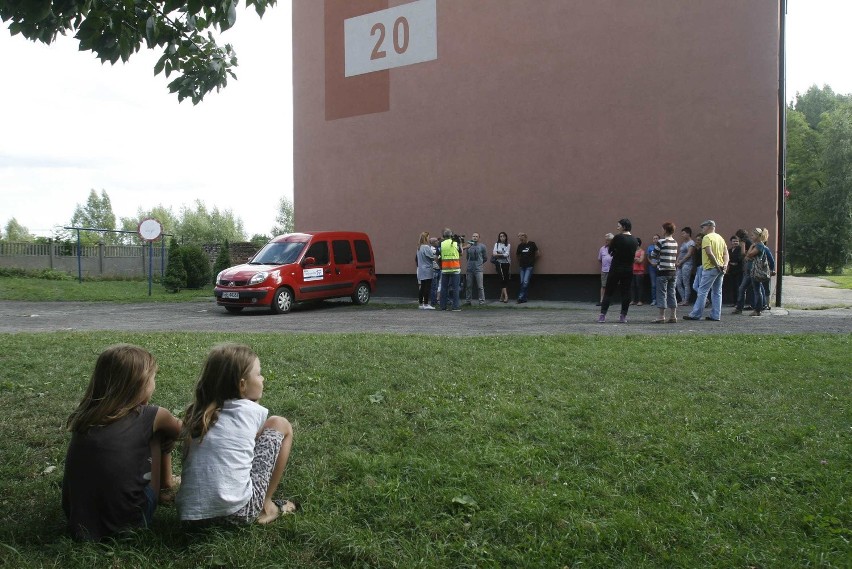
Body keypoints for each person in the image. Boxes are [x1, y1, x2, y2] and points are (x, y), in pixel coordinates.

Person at [62, 344, 181, 541]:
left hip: (80, 525)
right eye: (153, 378)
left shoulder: (86, 417)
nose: (154, 383)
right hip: (131, 524)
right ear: (140, 383)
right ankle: (163, 487)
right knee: (161, 432)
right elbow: (188, 431)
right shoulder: (153, 415)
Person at [177, 343, 296, 525]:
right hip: (239, 512)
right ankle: (266, 504)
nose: (262, 378)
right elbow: (258, 442)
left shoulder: (197, 414)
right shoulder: (248, 410)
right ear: (242, 385)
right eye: (258, 374)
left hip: (192, 516)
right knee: (280, 424)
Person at [684, 220, 728, 321]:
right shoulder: (720, 238)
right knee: (717, 292)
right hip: (721, 268)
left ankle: (695, 314)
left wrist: (716, 265)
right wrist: (724, 265)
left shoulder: (707, 238)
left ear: (709, 226)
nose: (702, 229)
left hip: (710, 268)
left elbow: (709, 253)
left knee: (703, 291)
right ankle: (716, 315)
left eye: (703, 227)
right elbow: (726, 253)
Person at [598, 218, 639, 323]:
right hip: (628, 269)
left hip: (616, 268)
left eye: (619, 225)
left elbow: (610, 250)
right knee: (626, 292)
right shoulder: (634, 240)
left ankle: (602, 315)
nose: (617, 227)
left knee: (609, 291)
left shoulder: (618, 238)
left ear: (624, 227)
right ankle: (623, 316)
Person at [743, 227, 776, 316]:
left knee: (758, 290)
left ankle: (758, 310)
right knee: (757, 290)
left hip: (757, 270)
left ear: (758, 236)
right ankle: (759, 308)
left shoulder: (759, 245)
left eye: (753, 235)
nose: (751, 237)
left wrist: (751, 246)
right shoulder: (760, 245)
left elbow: (749, 254)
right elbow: (747, 257)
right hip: (756, 270)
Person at [652, 222, 679, 323]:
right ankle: (673, 316)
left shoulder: (661, 242)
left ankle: (661, 316)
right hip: (673, 271)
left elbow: (653, 254)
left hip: (662, 271)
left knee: (662, 293)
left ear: (665, 230)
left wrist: (659, 257)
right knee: (672, 293)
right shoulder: (675, 242)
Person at [439, 228, 462, 311]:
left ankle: (443, 306)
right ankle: (455, 306)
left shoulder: (441, 243)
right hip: (455, 269)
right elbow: (461, 253)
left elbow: (438, 255)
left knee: (444, 288)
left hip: (445, 269)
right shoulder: (456, 243)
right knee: (455, 288)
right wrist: (460, 243)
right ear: (451, 235)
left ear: (443, 235)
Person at [464, 232, 488, 305]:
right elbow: (467, 257)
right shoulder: (469, 246)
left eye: (476, 236)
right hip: (470, 269)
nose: (474, 237)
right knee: (468, 286)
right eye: (473, 236)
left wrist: (479, 263)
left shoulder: (482, 246)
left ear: (479, 238)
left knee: (480, 286)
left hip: (479, 269)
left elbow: (485, 258)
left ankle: (482, 301)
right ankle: (468, 301)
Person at [515, 232, 539, 303]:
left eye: (521, 239)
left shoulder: (532, 244)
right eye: (519, 239)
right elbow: (517, 255)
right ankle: (524, 298)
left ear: (525, 237)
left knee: (525, 282)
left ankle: (520, 297)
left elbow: (537, 253)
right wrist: (521, 261)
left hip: (529, 266)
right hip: (522, 266)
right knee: (522, 282)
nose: (521, 240)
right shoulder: (520, 246)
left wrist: (532, 260)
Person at [675, 227, 695, 305]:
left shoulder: (691, 243)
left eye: (683, 233)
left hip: (687, 264)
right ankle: (683, 299)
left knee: (685, 282)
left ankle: (686, 300)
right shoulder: (683, 243)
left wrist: (681, 262)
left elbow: (689, 254)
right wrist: (677, 262)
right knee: (678, 283)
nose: (682, 235)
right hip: (680, 264)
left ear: (688, 233)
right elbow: (680, 253)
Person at [416, 232, 435, 309]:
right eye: (428, 237)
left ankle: (421, 304)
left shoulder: (419, 247)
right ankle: (426, 304)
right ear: (426, 238)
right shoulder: (426, 247)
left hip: (421, 269)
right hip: (427, 269)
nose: (429, 238)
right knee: (427, 287)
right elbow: (432, 257)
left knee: (422, 287)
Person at [493, 231, 511, 303]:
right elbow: (494, 254)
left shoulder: (508, 245)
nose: (502, 237)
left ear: (506, 237)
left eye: (503, 236)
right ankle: (506, 296)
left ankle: (501, 296)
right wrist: (501, 254)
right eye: (500, 236)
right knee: (502, 278)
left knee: (505, 279)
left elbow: (507, 254)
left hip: (506, 263)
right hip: (499, 263)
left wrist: (499, 254)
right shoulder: (497, 244)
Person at [724, 234, 742, 304]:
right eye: (734, 241)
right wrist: (731, 263)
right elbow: (728, 259)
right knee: (733, 287)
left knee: (738, 286)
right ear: (731, 242)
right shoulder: (730, 250)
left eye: (737, 241)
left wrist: (733, 262)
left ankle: (738, 302)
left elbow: (738, 259)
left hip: (738, 270)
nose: (735, 243)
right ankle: (734, 302)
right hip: (731, 271)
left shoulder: (740, 249)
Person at [597, 233, 614, 306]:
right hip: (604, 270)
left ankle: (609, 301)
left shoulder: (615, 248)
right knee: (603, 286)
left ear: (611, 241)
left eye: (608, 240)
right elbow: (600, 259)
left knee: (610, 286)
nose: (606, 241)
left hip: (612, 270)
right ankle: (601, 301)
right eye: (606, 240)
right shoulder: (602, 248)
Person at [631, 237, 646, 306]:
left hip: (640, 271)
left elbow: (640, 261)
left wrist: (635, 259)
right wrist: (636, 259)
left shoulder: (642, 251)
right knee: (632, 286)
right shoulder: (632, 251)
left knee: (639, 286)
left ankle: (640, 301)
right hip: (632, 271)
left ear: (638, 243)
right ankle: (633, 300)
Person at [646, 234, 660, 306]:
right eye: (654, 238)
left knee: (660, 284)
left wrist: (657, 263)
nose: (655, 240)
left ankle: (660, 299)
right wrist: (651, 262)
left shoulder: (661, 247)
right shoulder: (650, 247)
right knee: (653, 284)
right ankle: (654, 299)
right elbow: (648, 257)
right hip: (651, 267)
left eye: (657, 238)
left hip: (659, 267)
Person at [429, 237, 441, 307]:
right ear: (432, 243)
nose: (438, 242)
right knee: (434, 286)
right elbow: (436, 258)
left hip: (439, 269)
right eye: (436, 241)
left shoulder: (438, 248)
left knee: (438, 286)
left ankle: (437, 300)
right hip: (434, 269)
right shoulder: (431, 250)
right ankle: (433, 301)